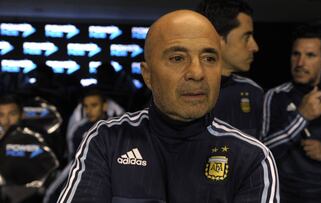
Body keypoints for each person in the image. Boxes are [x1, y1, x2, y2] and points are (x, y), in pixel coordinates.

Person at [58, 10, 279, 203]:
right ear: (148, 75)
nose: (197, 73)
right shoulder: (106, 140)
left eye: (209, 58)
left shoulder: (252, 158)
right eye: (177, 58)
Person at [261, 26, 321, 203]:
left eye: (310, 55)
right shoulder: (276, 96)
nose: (300, 63)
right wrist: (302, 117)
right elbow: (263, 152)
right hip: (288, 197)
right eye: (295, 54)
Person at [197, 0, 262, 138]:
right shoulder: (185, 90)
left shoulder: (253, 92)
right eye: (246, 37)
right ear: (217, 40)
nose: (254, 47)